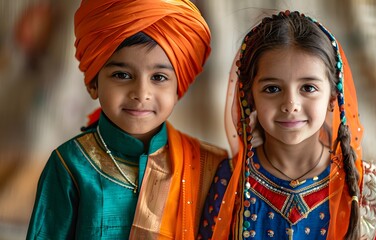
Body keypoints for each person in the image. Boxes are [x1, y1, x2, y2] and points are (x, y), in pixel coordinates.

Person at [26, 0, 227, 239]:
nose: (141, 93)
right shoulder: (71, 164)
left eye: (159, 77)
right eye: (122, 75)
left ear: (178, 87)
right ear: (93, 84)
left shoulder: (210, 167)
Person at [198, 10, 376, 240]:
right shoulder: (230, 181)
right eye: (272, 89)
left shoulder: (366, 188)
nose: (290, 104)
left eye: (308, 88)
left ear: (333, 97)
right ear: (250, 97)